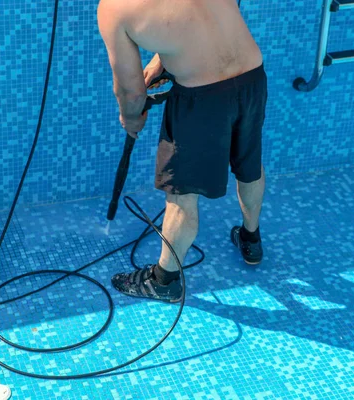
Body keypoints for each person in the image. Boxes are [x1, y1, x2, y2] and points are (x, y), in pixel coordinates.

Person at [98, 0, 267, 302]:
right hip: (252, 76)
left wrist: (131, 117)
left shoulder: (114, 8)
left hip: (202, 98)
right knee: (249, 165)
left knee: (181, 196)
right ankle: (251, 239)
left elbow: (131, 92)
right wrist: (164, 56)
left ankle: (165, 280)